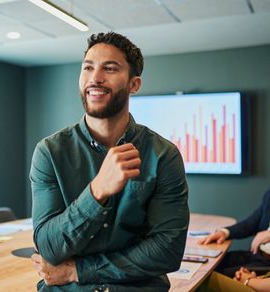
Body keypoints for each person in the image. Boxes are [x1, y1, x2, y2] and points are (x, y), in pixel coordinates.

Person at [30, 32, 189, 291]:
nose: (95, 78)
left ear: (134, 84)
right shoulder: (49, 152)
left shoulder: (163, 155)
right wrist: (96, 193)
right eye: (88, 68)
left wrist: (78, 271)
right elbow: (48, 247)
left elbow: (167, 251)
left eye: (110, 68)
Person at [198, 189, 270, 278]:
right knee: (208, 264)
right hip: (256, 255)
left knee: (211, 275)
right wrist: (224, 232)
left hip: (267, 266)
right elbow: (250, 224)